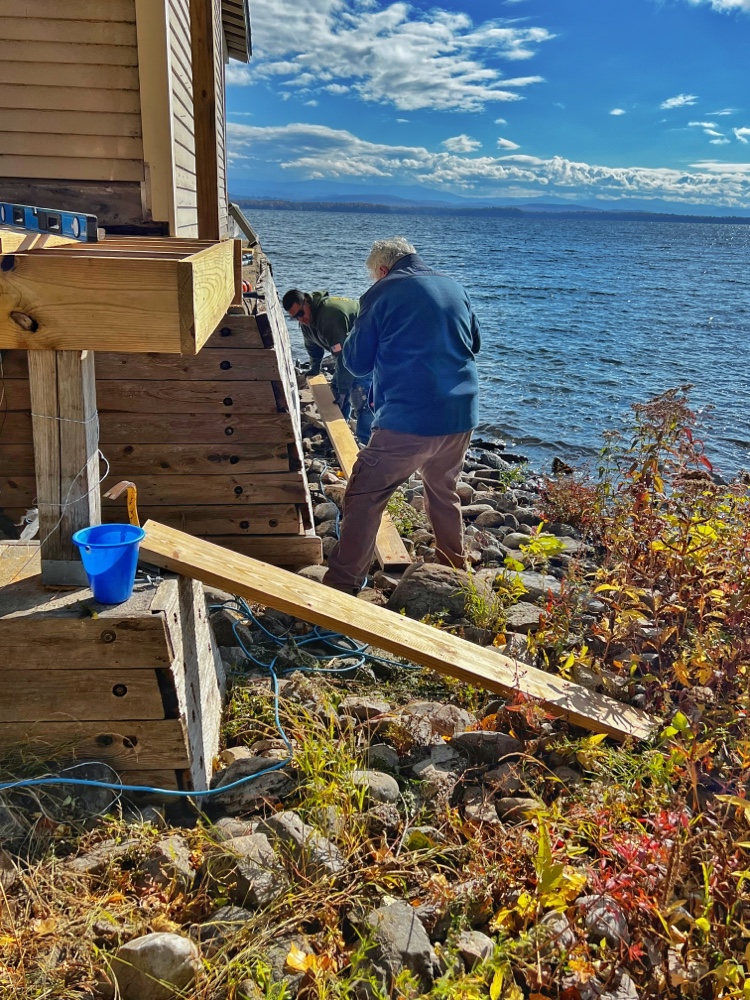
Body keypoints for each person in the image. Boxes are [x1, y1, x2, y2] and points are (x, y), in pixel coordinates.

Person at [323, 237, 481, 594]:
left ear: (382, 270)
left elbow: (357, 362)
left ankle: (341, 588)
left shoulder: (380, 295)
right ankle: (455, 572)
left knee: (365, 495)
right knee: (443, 491)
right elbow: (473, 345)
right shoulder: (454, 286)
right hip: (460, 414)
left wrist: (354, 335)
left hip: (410, 419)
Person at [282, 288, 374, 445]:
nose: (300, 319)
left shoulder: (330, 316)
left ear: (307, 301)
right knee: (337, 391)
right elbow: (313, 346)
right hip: (349, 351)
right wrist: (314, 368)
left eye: (300, 313)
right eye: (295, 317)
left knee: (360, 395)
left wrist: (344, 390)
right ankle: (339, 433)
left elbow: (346, 358)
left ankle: (366, 443)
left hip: (369, 346)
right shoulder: (307, 321)